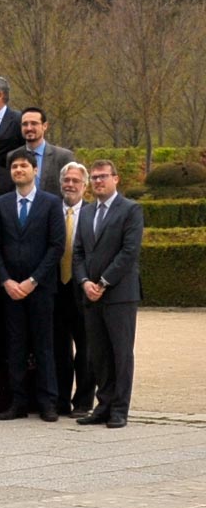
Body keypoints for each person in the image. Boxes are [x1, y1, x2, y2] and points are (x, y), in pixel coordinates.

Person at [0, 151, 65, 422]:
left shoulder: (51, 203)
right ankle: (18, 401)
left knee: (44, 345)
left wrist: (33, 280)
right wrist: (6, 281)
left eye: (24, 165)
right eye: (14, 166)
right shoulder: (1, 204)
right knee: (15, 346)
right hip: (11, 289)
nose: (19, 170)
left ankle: (48, 402)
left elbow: (56, 246)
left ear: (35, 170)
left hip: (41, 288)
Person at [73, 160, 143, 428]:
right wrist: (83, 282)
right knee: (98, 353)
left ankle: (119, 409)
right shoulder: (87, 212)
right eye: (94, 177)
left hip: (119, 294)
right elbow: (78, 252)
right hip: (89, 294)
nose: (98, 181)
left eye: (103, 176)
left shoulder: (130, 210)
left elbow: (129, 252)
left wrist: (102, 282)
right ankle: (103, 404)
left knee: (120, 352)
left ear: (116, 178)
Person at [55, 163, 95, 420]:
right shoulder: (50, 210)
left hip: (82, 287)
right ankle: (59, 400)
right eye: (66, 180)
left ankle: (83, 400)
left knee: (86, 348)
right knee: (59, 348)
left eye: (75, 181)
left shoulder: (92, 213)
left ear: (85, 185)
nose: (70, 184)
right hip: (56, 287)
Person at [12, 107, 73, 186]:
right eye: (25, 124)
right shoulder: (13, 156)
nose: (29, 128)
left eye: (34, 123)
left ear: (45, 126)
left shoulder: (62, 157)